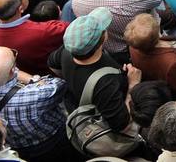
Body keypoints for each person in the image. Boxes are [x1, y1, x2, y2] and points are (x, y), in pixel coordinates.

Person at [47, 8, 133, 142]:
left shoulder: (66, 51)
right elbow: (121, 124)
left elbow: (52, 64)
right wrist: (133, 84)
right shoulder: (106, 83)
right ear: (103, 38)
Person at [0, 45, 71, 162]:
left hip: (4, 144)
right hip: (45, 143)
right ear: (12, 70)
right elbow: (59, 84)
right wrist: (32, 78)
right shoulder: (36, 95)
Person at [0, 0, 67, 75]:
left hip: (18, 70)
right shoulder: (44, 31)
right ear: (21, 8)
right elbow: (72, 28)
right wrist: (58, 17)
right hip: (45, 76)